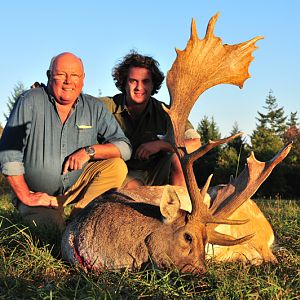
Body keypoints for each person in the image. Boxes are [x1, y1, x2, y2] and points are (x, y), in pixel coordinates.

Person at [0, 52, 132, 231]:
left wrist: (89, 151)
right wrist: (26, 196)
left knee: (116, 166)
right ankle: (36, 210)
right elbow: (9, 153)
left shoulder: (94, 107)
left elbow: (124, 147)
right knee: (52, 233)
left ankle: (80, 214)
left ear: (83, 78)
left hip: (74, 189)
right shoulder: (30, 100)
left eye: (75, 75)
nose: (68, 81)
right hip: (38, 195)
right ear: (49, 75)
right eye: (61, 74)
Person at [100, 51, 200, 188]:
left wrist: (160, 145)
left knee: (179, 158)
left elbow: (195, 143)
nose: (139, 87)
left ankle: (180, 206)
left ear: (153, 85)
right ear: (124, 83)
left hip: (155, 174)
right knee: (132, 185)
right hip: (118, 174)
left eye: (145, 82)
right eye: (133, 81)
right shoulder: (104, 107)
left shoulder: (165, 112)